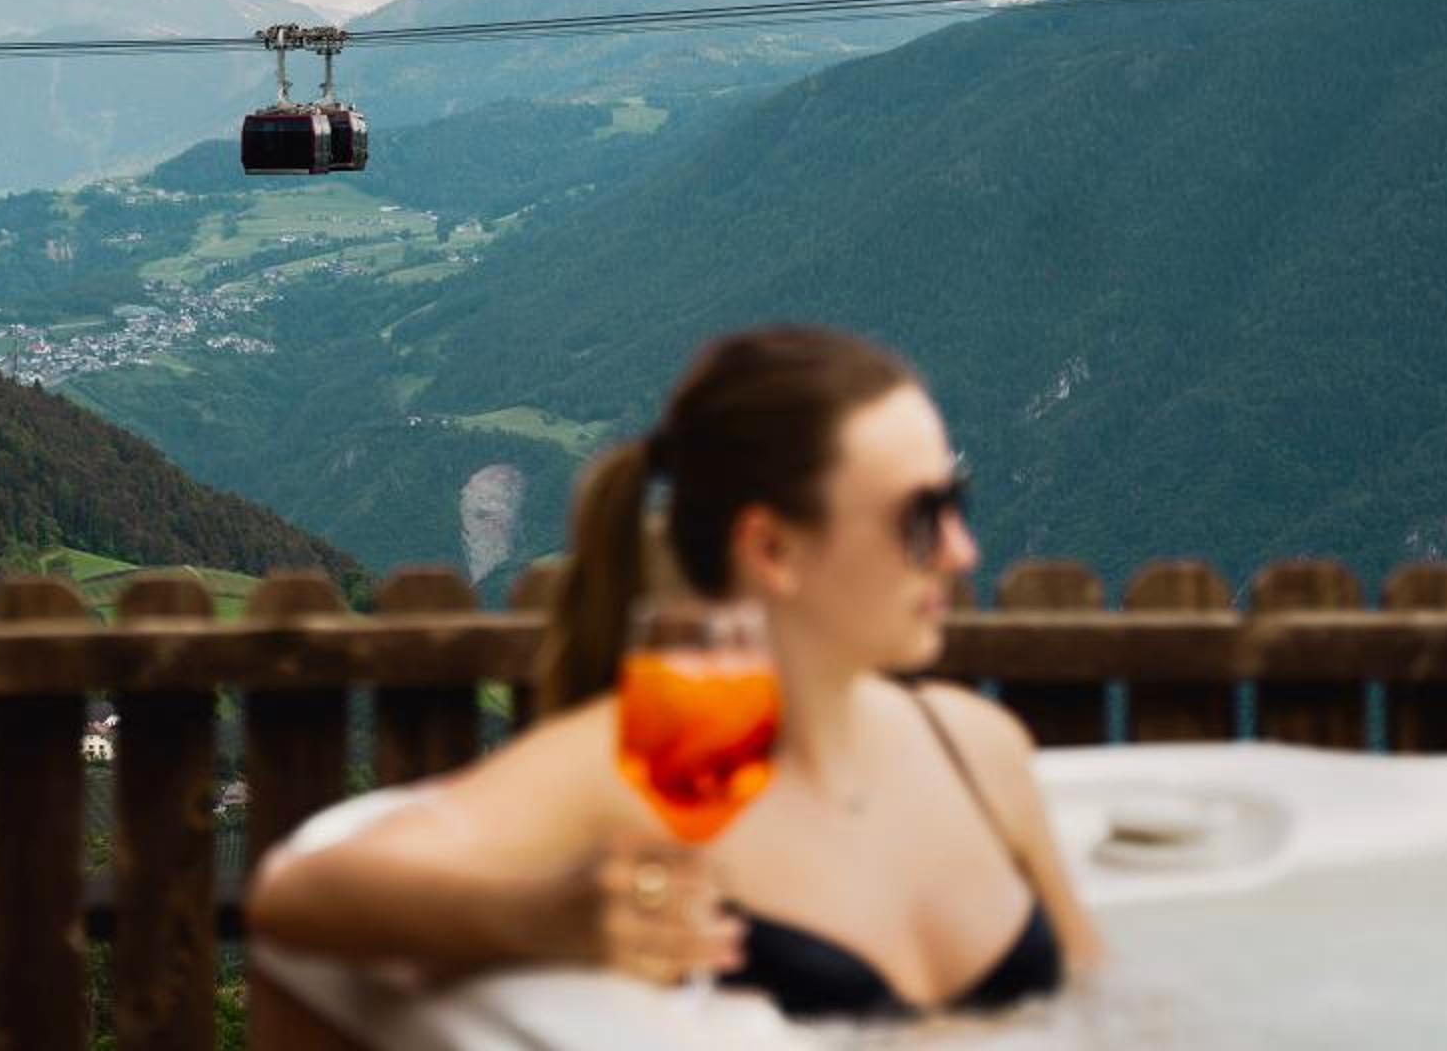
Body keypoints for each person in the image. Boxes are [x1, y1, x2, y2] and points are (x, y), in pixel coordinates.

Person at [247, 326, 1102, 1023]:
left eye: (956, 503)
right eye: (920, 518)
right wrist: (542, 920)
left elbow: (1096, 1011)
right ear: (773, 549)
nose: (962, 551)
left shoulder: (976, 746)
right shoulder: (663, 756)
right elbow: (299, 893)